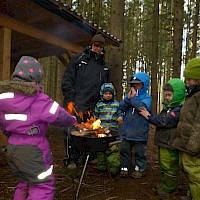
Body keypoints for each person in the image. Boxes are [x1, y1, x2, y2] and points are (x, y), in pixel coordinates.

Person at [0, 56, 76, 200]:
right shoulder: (38, 98)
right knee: (43, 185)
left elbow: (2, 123)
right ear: (36, 78)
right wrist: (72, 121)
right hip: (33, 149)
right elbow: (59, 115)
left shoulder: (4, 98)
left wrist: (12, 135)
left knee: (24, 182)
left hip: (13, 148)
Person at [61, 32, 110, 169]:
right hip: (76, 103)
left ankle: (88, 156)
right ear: (91, 45)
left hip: (93, 106)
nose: (98, 48)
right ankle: (71, 159)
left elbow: (106, 87)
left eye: (101, 46)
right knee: (72, 132)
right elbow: (67, 79)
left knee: (89, 132)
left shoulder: (104, 67)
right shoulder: (79, 60)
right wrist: (70, 99)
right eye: (96, 45)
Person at [139, 78, 187, 197]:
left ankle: (169, 189)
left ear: (178, 95)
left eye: (170, 95)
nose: (167, 98)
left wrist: (149, 116)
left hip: (170, 143)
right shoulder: (169, 108)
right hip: (165, 142)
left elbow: (164, 121)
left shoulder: (178, 109)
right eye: (166, 95)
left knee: (169, 166)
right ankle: (165, 184)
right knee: (164, 164)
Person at [173, 58, 200, 200]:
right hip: (187, 143)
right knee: (189, 172)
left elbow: (198, 125)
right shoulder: (192, 94)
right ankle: (191, 194)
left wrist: (194, 146)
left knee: (195, 175)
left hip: (193, 146)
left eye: (190, 79)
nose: (187, 82)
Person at [119, 72, 152, 178]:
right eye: (133, 84)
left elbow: (142, 108)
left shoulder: (147, 97)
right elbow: (121, 107)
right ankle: (125, 167)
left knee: (140, 152)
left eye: (138, 84)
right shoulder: (128, 96)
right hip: (127, 130)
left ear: (144, 85)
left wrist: (133, 99)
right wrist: (128, 99)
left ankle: (140, 168)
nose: (135, 87)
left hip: (140, 131)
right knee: (124, 150)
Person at [93, 83, 123, 176]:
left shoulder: (117, 104)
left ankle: (114, 167)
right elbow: (95, 116)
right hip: (102, 131)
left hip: (113, 131)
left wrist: (121, 117)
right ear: (102, 94)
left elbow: (121, 113)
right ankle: (102, 166)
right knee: (101, 149)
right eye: (106, 94)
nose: (108, 95)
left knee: (113, 149)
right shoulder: (99, 105)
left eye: (110, 94)